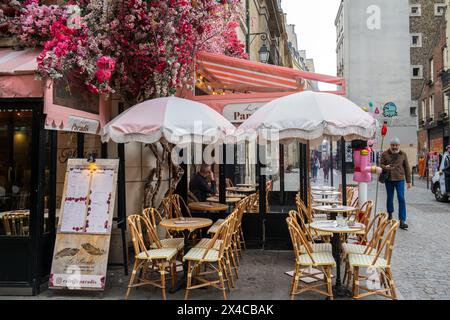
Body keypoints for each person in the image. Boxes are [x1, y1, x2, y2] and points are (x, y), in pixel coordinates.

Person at [380, 137, 412, 230]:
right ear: (390, 145)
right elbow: (380, 164)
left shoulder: (403, 154)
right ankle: (390, 214)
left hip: (400, 179)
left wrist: (409, 181)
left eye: (396, 145)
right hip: (389, 179)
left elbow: (407, 168)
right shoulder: (385, 154)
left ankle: (402, 220)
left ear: (399, 145)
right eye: (393, 145)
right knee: (390, 197)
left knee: (401, 198)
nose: (394, 147)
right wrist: (385, 167)